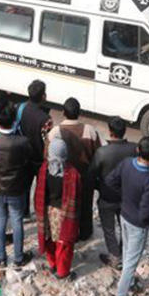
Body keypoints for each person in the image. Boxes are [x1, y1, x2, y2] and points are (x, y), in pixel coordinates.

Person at [0, 102, 34, 267]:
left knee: (0, 220)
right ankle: (18, 258)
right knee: (17, 220)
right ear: (14, 120)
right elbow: (28, 161)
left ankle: (1, 257)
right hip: (16, 188)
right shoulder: (22, 142)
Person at [109, 136, 149, 296]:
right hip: (138, 224)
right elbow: (146, 212)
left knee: (127, 252)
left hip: (124, 215)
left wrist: (123, 196)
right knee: (131, 260)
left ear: (138, 149)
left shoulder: (126, 163)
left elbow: (110, 180)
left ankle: (128, 282)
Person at [47, 97, 102, 241]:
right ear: (80, 112)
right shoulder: (90, 131)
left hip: (63, 178)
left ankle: (67, 233)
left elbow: (48, 156)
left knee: (66, 206)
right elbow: (98, 155)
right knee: (85, 205)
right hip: (85, 177)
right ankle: (85, 232)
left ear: (63, 113)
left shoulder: (55, 132)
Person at [88, 116, 137, 269]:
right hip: (127, 198)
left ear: (110, 132)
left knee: (109, 229)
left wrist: (98, 186)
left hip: (107, 197)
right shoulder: (134, 149)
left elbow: (91, 174)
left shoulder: (102, 152)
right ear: (124, 131)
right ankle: (124, 252)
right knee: (125, 228)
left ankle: (115, 257)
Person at [35, 138, 80, 279]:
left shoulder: (43, 169)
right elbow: (78, 199)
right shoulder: (73, 174)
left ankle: (52, 263)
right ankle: (62, 272)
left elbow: (38, 192)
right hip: (64, 214)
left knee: (49, 239)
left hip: (47, 211)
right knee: (64, 243)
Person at [17, 80, 53, 218]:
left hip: (24, 155)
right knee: (40, 188)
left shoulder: (20, 108)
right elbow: (47, 141)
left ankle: (24, 211)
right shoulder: (46, 119)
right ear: (43, 96)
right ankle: (39, 213)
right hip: (39, 159)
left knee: (25, 186)